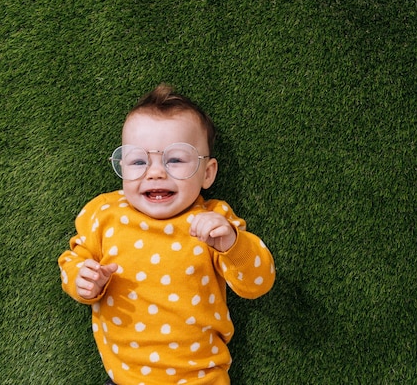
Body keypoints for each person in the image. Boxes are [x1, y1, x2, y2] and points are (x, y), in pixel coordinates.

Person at [58, 84, 275, 384]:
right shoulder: (103, 214)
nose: (156, 172)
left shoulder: (214, 221)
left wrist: (232, 243)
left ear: (208, 173)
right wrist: (82, 278)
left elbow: (257, 283)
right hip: (125, 378)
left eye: (175, 159)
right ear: (121, 166)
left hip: (200, 379)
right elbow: (72, 260)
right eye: (137, 161)